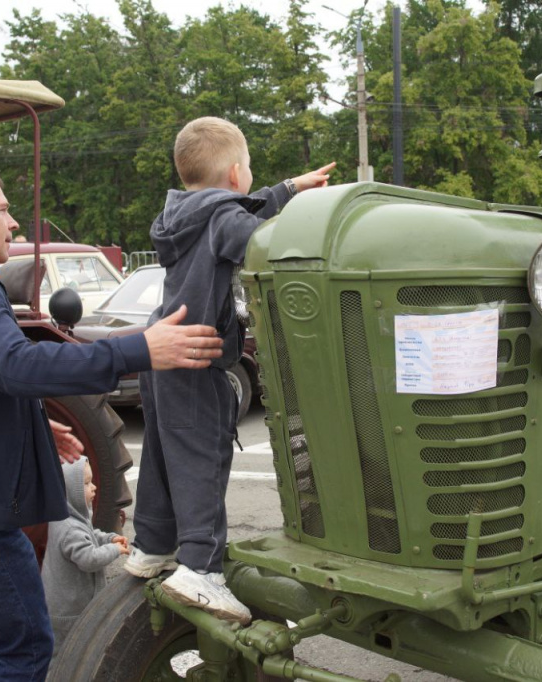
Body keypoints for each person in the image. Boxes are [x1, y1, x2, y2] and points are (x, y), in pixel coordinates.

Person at [0, 162, 224, 681]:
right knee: (28, 645)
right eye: (4, 209)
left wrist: (32, 425)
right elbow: (14, 364)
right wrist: (140, 348)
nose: (13, 223)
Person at [124, 116, 335, 623]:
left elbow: (229, 208)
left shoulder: (182, 212)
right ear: (237, 173)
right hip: (198, 358)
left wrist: (288, 189)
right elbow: (261, 242)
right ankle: (201, 570)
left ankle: (152, 545)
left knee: (162, 451)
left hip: (162, 351)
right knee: (202, 458)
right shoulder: (225, 219)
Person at [41, 457, 129, 656]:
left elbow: (91, 535)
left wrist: (110, 539)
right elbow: (89, 559)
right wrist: (115, 550)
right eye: (87, 484)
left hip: (66, 607)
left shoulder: (72, 517)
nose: (94, 487)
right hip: (70, 612)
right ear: (72, 491)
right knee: (67, 656)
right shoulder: (70, 529)